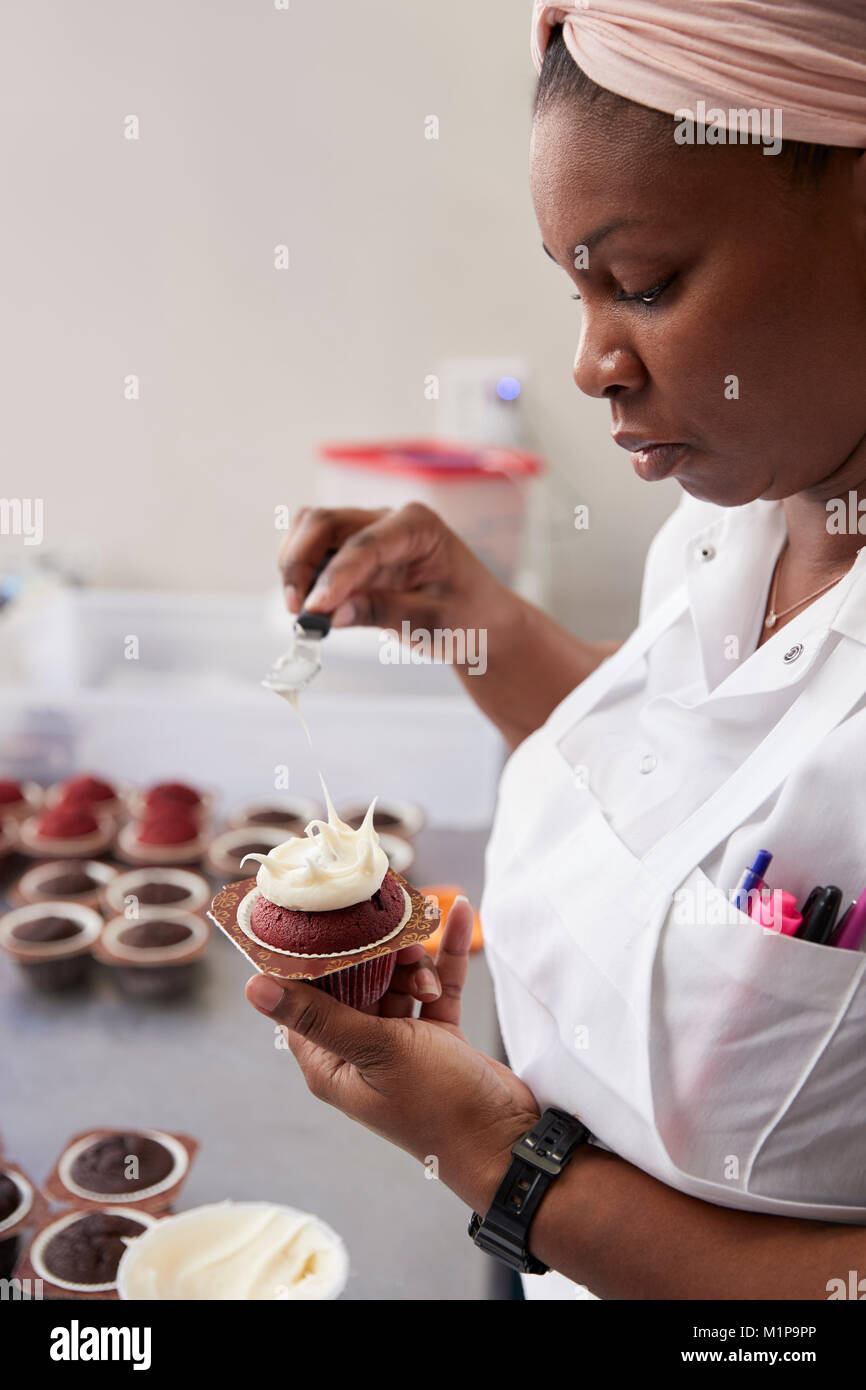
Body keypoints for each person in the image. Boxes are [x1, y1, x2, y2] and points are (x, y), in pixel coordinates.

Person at [246, 0, 866, 1299]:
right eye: (573, 284)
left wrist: (492, 1156)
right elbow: (697, 803)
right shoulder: (741, 518)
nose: (588, 362)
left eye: (640, 283)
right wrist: (466, 611)